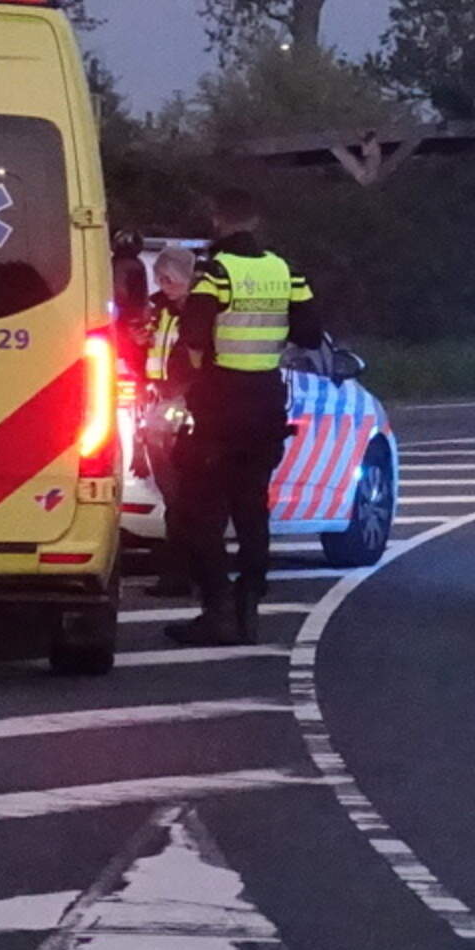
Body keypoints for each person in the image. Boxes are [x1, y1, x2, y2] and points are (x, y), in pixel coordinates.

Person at [162, 187, 320, 646]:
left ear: (218, 220)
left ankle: (217, 611)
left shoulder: (216, 274)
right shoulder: (286, 272)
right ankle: (249, 607)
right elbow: (311, 335)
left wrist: (193, 378)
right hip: (267, 405)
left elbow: (191, 338)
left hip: (219, 408)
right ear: (256, 221)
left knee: (198, 512)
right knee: (252, 510)